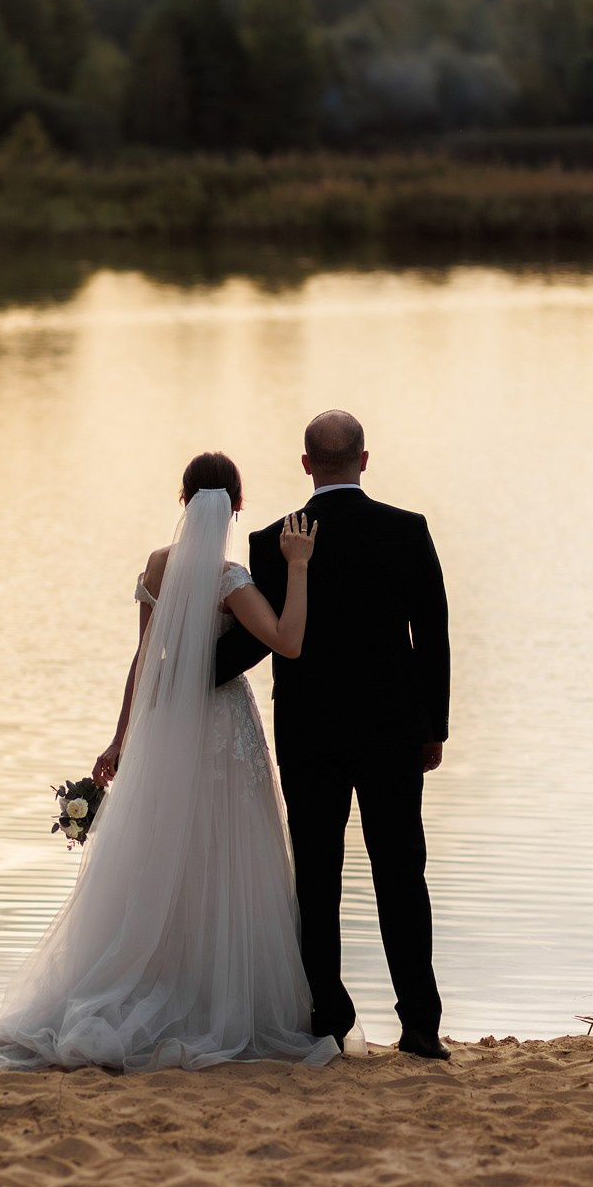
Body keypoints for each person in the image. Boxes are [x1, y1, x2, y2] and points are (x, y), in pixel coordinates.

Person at [0, 453, 351, 1071]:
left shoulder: (158, 569)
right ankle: (213, 998)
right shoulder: (229, 578)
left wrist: (119, 740)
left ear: (182, 499)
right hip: (221, 726)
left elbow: (142, 661)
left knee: (162, 852)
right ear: (237, 506)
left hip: (164, 727)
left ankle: (149, 977)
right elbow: (289, 641)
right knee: (224, 857)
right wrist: (298, 568)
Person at [213, 410, 451, 1060]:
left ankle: (328, 1011)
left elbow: (261, 643)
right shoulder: (407, 531)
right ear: (365, 460)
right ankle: (421, 1024)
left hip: (309, 732)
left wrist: (187, 679)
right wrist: (435, 727)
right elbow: (431, 634)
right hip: (393, 731)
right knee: (402, 871)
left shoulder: (272, 539)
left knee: (317, 874)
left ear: (306, 464)